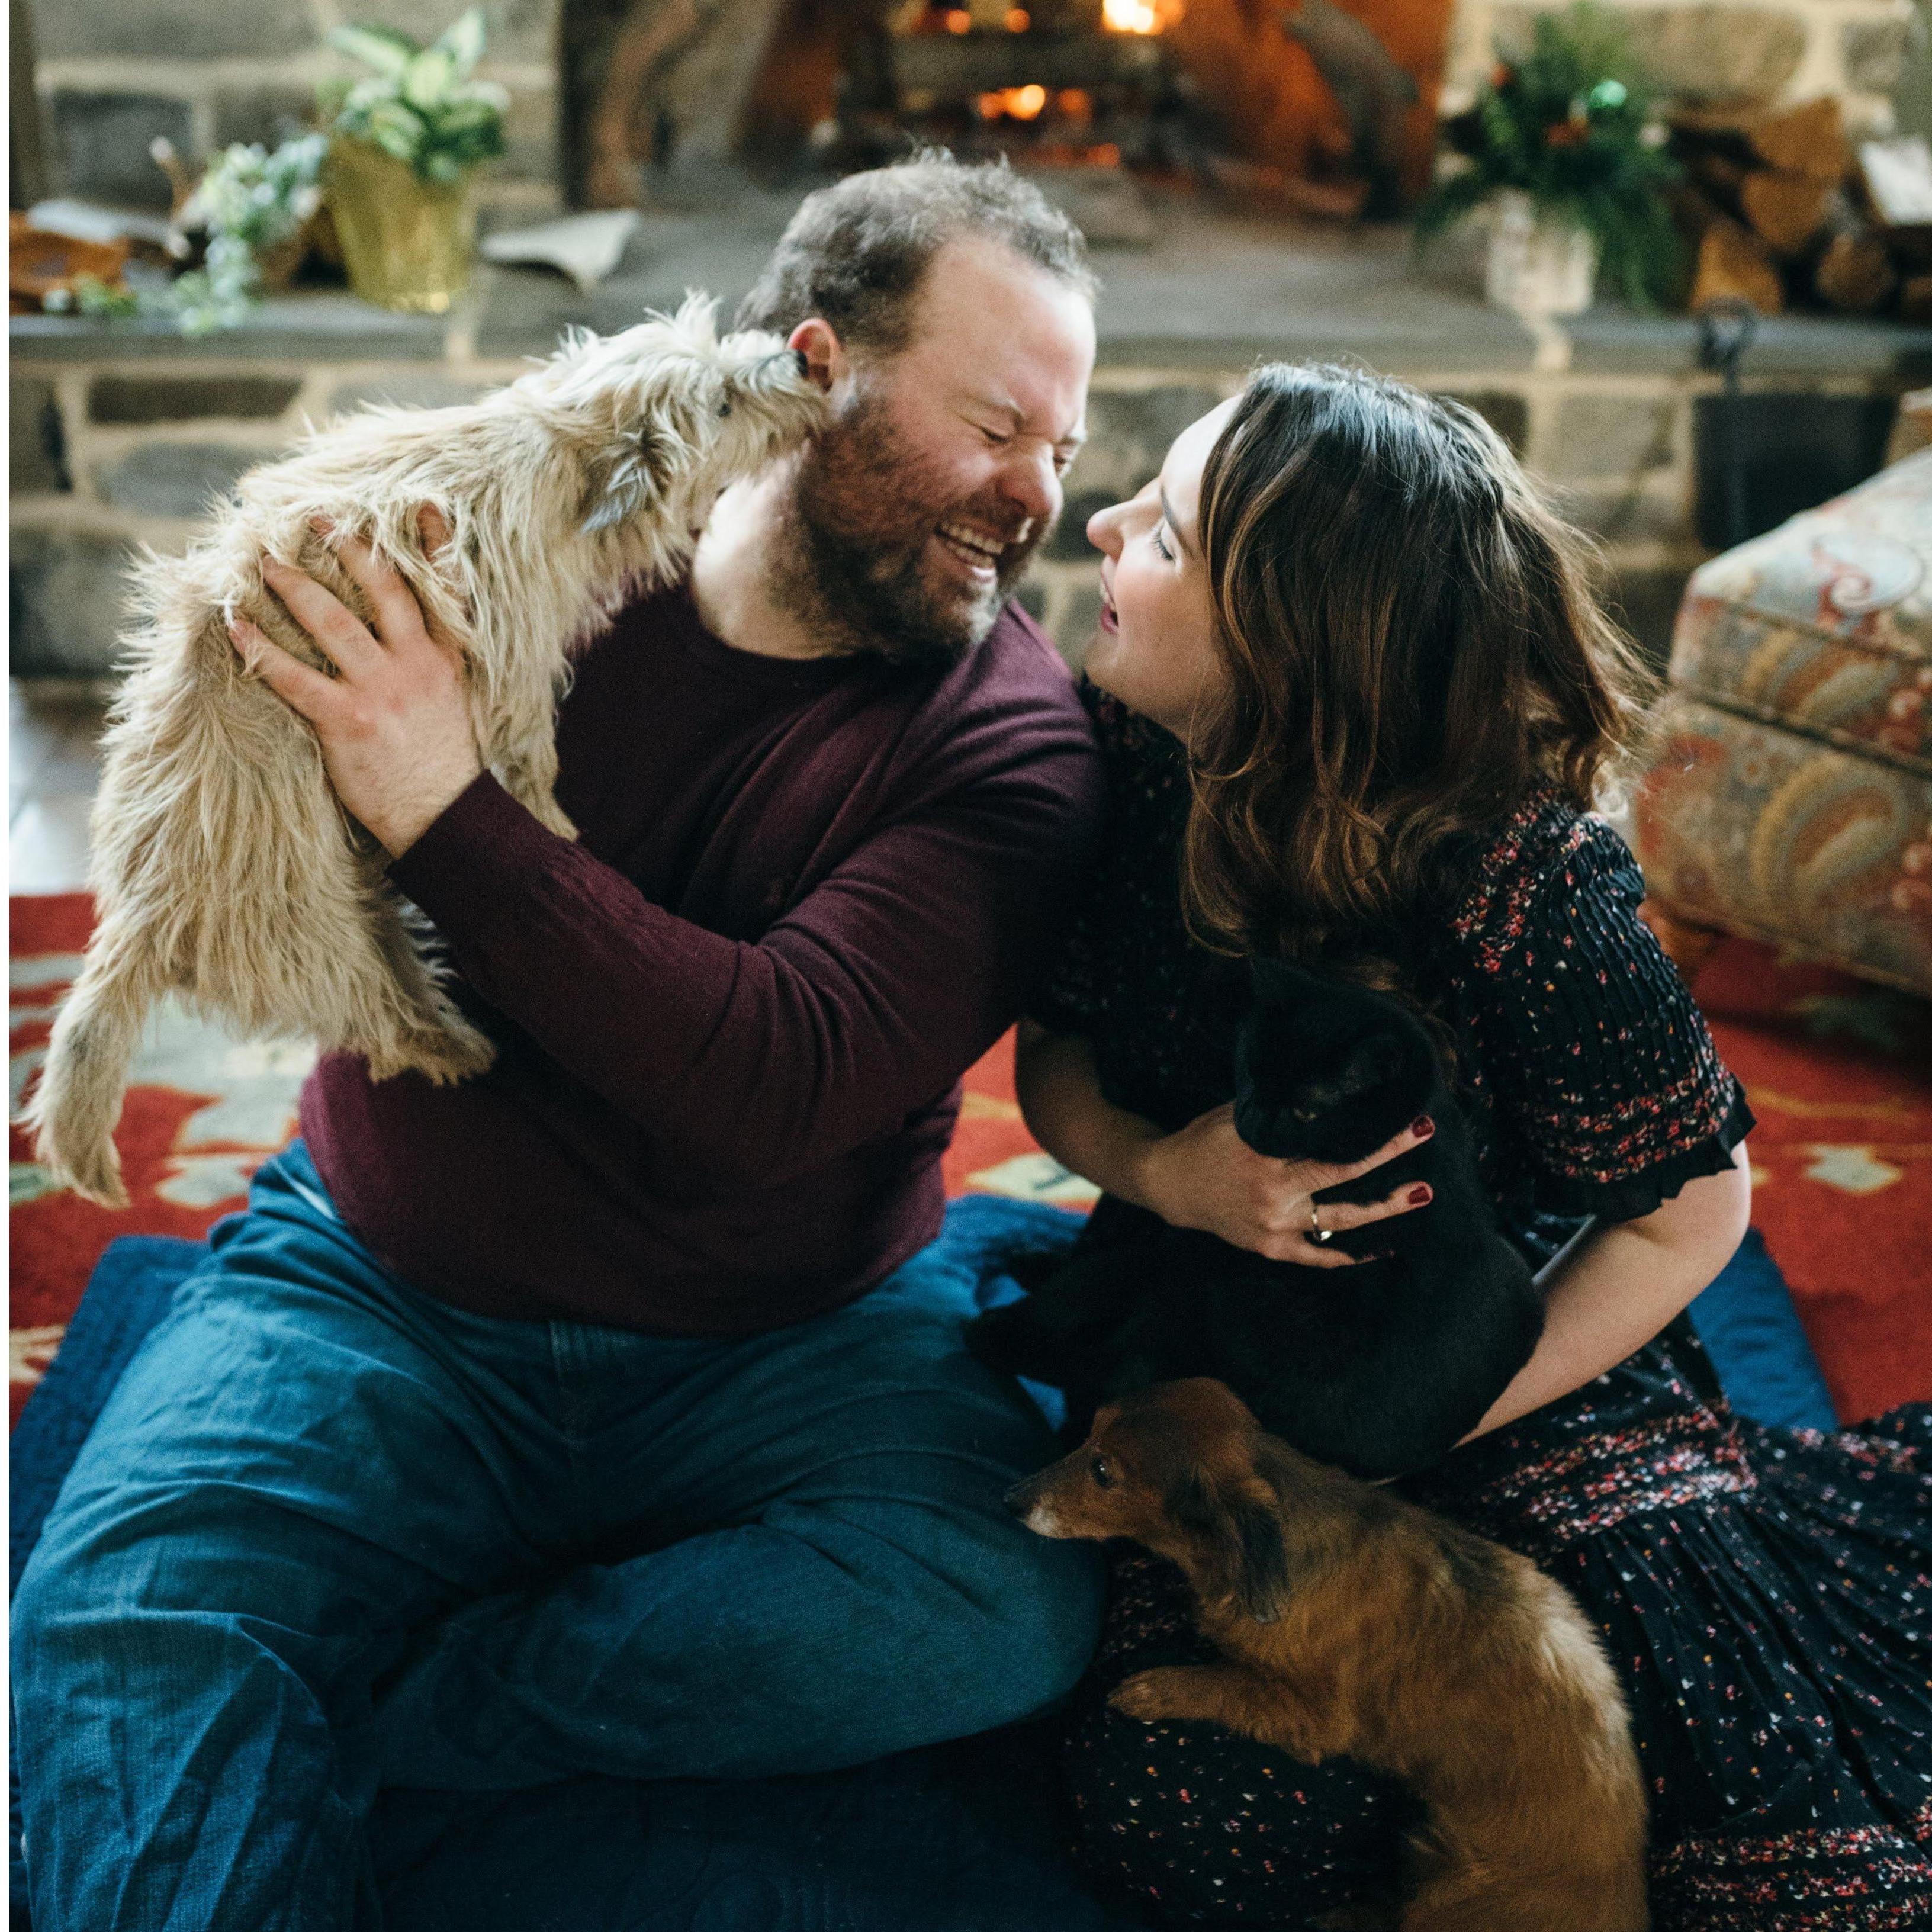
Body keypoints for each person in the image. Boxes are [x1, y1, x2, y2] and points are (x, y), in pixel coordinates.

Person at [13, 153, 1156, 1932]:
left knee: (998, 1607)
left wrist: (440, 804)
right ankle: (347, 1670)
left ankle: (428, 1696)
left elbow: (769, 1084)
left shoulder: (1015, 746)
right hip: (387, 1282)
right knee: (113, 1633)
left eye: (1063, 455)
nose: (1037, 502)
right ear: (815, 366)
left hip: (788, 1334)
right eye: (1000, 428)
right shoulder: (521, 544)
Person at [1017, 365, 1932, 1928]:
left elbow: (1691, 1216)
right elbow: (1052, 1061)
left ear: (1284, 650)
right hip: (1229, 1352)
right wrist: (1164, 1173)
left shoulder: (1524, 882)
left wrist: (1433, 1417)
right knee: (1176, 1810)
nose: (1099, 525)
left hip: (1505, 1353)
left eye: (1159, 532)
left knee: (1773, 1832)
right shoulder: (1135, 760)